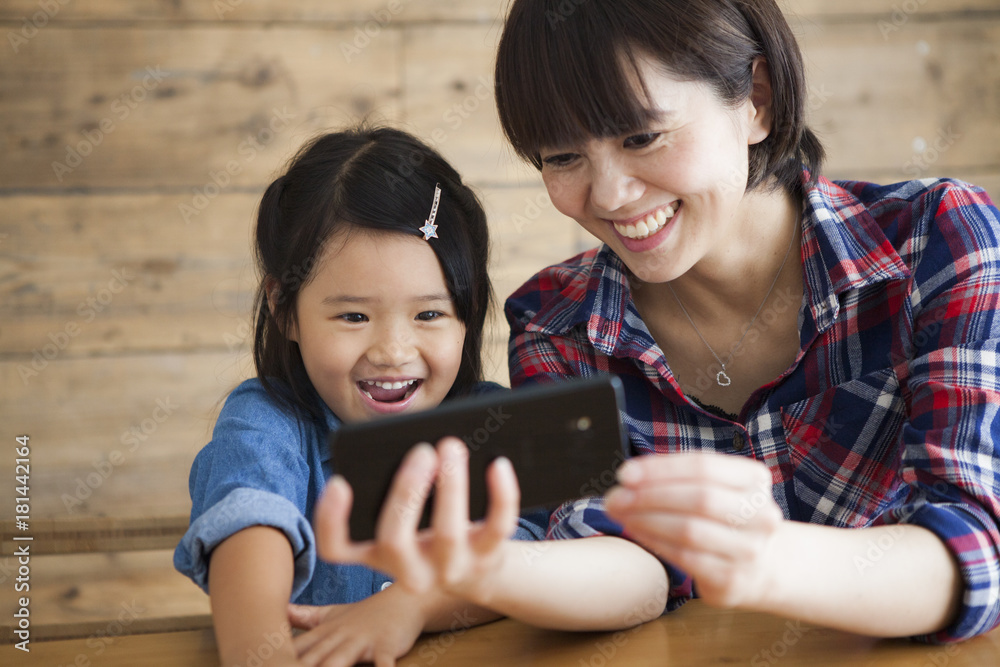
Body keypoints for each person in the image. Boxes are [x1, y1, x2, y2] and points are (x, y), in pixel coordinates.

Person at [487, 0, 1000, 645]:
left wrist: (761, 556)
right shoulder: (556, 325)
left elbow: (976, 551)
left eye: (642, 137)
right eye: (562, 157)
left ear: (756, 100)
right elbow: (608, 553)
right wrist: (480, 570)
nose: (609, 194)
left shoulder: (937, 243)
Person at [174, 126, 562, 666]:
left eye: (429, 314)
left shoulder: (492, 425)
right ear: (285, 309)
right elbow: (249, 518)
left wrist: (410, 606)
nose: (392, 351)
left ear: (468, 314)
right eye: (353, 316)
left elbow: (523, 559)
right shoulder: (268, 422)